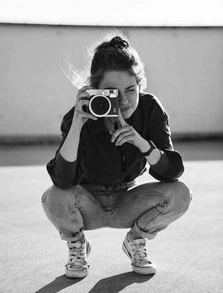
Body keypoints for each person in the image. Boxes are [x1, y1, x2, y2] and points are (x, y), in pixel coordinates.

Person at [41, 32, 192, 279]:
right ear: (94, 90)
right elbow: (63, 180)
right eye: (111, 92)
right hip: (87, 202)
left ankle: (135, 240)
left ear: (140, 86)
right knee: (53, 197)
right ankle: (78, 245)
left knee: (180, 194)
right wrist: (78, 124)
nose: (123, 100)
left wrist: (143, 144)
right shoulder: (79, 116)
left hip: (127, 201)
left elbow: (173, 171)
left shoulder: (149, 108)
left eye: (131, 89)